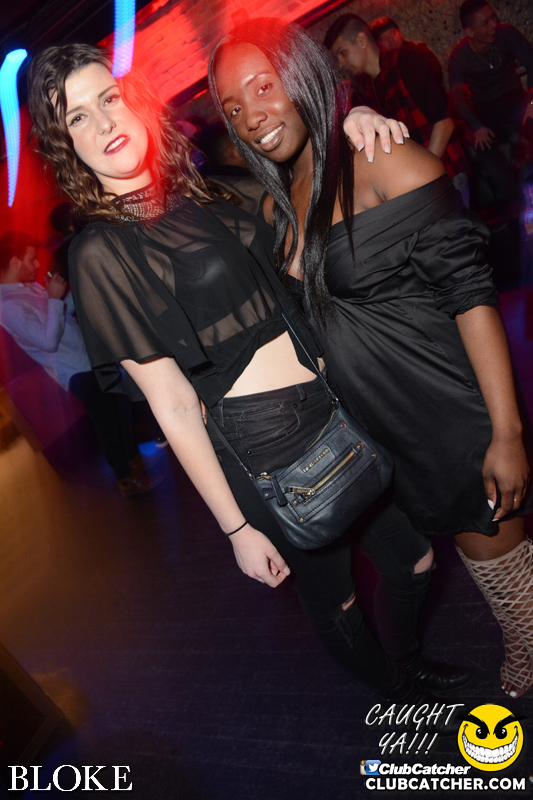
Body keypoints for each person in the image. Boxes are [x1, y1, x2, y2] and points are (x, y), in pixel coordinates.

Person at [26, 43, 467, 706]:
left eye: (107, 99)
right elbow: (173, 404)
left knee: (416, 559)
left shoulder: (208, 190)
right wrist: (236, 529)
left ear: (135, 102)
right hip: (262, 446)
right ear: (68, 146)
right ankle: (399, 692)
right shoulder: (103, 252)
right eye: (77, 118)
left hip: (333, 402)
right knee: (339, 599)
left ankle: (408, 659)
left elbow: (306, 192)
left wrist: (347, 121)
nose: (103, 122)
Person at [209, 17, 533, 698]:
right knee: (454, 565)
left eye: (264, 87)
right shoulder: (279, 205)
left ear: (303, 77)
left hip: (444, 417)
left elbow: (471, 295)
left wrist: (505, 433)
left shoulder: (382, 158)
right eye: (232, 107)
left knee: (507, 580)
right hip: (375, 432)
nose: (251, 115)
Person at [0, 231, 158, 497]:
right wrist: (53, 299)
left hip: (87, 359)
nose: (37, 264)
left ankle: (134, 465)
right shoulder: (8, 306)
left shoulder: (27, 289)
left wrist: (72, 293)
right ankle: (126, 479)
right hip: (75, 371)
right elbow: (48, 341)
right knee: (108, 424)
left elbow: (61, 318)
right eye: (31, 258)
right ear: (15, 262)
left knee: (121, 411)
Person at [324, 14, 470, 206]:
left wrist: (422, 178)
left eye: (342, 53)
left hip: (446, 176)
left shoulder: (406, 61)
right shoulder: (369, 88)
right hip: (418, 184)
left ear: (361, 40)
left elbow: (444, 123)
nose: (341, 63)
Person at [448, 0, 533, 211]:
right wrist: (477, 126)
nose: (494, 24)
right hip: (484, 108)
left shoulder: (507, 34)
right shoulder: (459, 57)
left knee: (530, 129)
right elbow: (457, 99)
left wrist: (531, 102)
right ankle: (521, 205)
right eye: (485, 23)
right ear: (470, 31)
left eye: (493, 17)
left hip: (514, 97)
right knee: (484, 151)